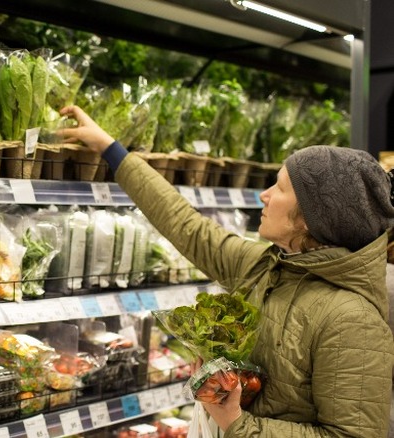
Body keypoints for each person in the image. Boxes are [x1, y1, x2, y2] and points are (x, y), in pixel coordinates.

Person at [57, 105, 394, 437]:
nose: (264, 195)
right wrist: (110, 148)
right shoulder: (268, 266)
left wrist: (237, 423)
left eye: (279, 188)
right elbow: (186, 226)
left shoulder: (353, 320)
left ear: (309, 218)